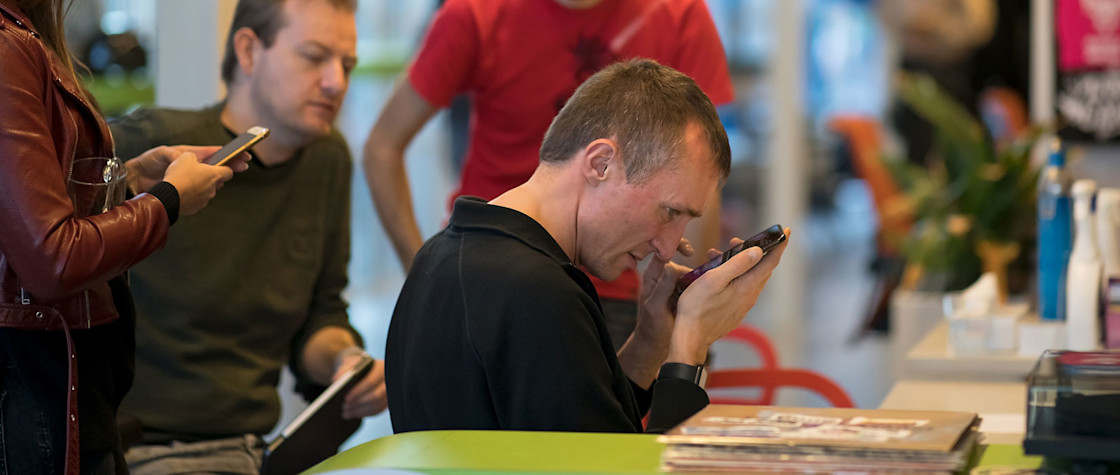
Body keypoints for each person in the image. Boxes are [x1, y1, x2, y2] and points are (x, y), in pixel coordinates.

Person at [386, 59, 788, 434]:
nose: (667, 249)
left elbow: (589, 430)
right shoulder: (538, 293)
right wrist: (690, 343)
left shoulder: (441, 253)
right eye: (668, 212)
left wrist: (653, 338)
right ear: (600, 164)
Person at [106, 0, 385, 472]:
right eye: (314, 57)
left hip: (255, 451)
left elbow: (321, 315)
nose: (337, 81)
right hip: (141, 448)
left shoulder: (327, 158)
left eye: (347, 64)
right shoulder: (153, 146)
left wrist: (346, 361)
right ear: (250, 52)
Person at [364, 0, 734, 347]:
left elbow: (696, 180)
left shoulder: (677, 13)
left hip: (605, 288)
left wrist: (686, 315)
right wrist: (425, 282)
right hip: (489, 277)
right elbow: (382, 147)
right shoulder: (477, 13)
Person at [0, 1, 244, 472]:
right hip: (37, 383)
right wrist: (168, 202)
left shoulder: (25, 39)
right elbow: (54, 259)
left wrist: (128, 182)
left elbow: (33, 205)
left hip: (65, 379)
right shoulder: (9, 47)